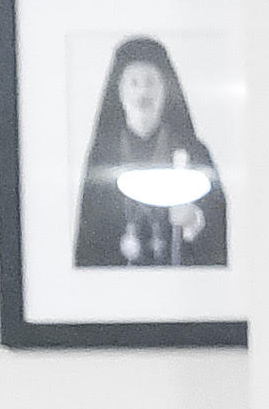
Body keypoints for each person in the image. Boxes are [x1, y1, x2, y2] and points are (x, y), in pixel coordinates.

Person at [74, 38, 226, 269]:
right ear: (119, 92)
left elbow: (218, 229)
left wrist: (193, 220)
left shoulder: (194, 152)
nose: (142, 92)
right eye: (133, 83)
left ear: (165, 91)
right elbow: (89, 242)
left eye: (151, 82)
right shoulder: (102, 156)